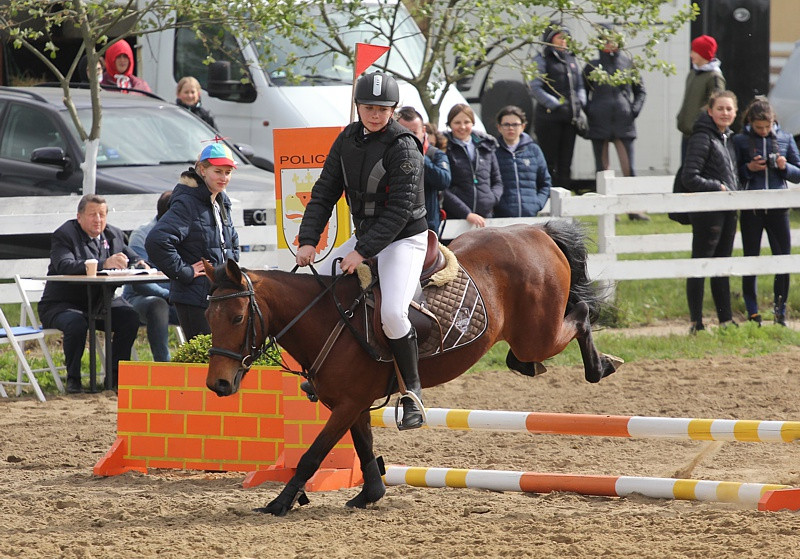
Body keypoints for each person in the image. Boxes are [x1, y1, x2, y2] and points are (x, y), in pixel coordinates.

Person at [294, 72, 427, 431]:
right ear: (358, 107)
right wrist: (308, 239)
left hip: (404, 239)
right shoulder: (346, 140)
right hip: (366, 235)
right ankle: (325, 370)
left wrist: (361, 252)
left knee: (394, 314)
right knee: (321, 292)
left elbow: (400, 211)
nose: (375, 114)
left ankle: (411, 391)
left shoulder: (404, 145)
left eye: (383, 109)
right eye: (369, 107)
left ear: (393, 110)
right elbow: (324, 193)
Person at [38, 195, 145, 393]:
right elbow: (64, 265)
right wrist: (104, 264)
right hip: (61, 304)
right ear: (79, 217)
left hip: (100, 302)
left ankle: (114, 380)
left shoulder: (114, 234)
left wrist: (140, 264)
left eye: (102, 214)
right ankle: (74, 381)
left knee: (129, 317)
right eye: (92, 214)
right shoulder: (65, 234)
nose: (98, 219)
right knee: (77, 323)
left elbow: (132, 257)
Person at [146, 142, 240, 341]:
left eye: (228, 172)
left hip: (219, 293)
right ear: (202, 170)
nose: (224, 178)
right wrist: (185, 271)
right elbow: (157, 241)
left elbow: (231, 239)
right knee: (203, 362)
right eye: (218, 171)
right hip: (195, 298)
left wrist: (231, 267)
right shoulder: (187, 202)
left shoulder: (222, 200)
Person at [733, 96, 800, 326]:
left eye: (767, 127)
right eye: (758, 127)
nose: (763, 131)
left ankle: (779, 311)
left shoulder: (786, 138)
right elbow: (734, 175)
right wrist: (749, 168)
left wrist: (784, 167)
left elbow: (798, 173)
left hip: (778, 209)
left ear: (773, 122)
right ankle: (753, 313)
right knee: (750, 259)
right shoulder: (740, 140)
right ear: (750, 122)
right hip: (751, 209)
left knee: (782, 259)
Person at [681, 90, 739, 334]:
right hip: (708, 212)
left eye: (729, 109)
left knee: (722, 265)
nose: (725, 113)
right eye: (720, 108)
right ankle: (696, 322)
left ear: (735, 112)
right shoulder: (703, 137)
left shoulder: (726, 138)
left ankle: (725, 320)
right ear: (710, 111)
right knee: (701, 264)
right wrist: (719, 187)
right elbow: (689, 177)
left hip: (727, 210)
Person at [582, 32, 648, 220]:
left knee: (629, 169)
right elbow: (582, 92)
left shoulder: (628, 64)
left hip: (624, 122)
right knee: (603, 170)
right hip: (599, 123)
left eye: (613, 41)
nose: (610, 44)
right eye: (606, 41)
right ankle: (608, 210)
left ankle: (634, 210)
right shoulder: (591, 66)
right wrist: (591, 111)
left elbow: (641, 91)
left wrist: (632, 110)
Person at [122, 191, 180, 362]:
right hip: (140, 299)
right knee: (158, 304)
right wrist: (169, 296)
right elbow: (140, 282)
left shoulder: (188, 233)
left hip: (178, 300)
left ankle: (203, 364)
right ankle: (164, 367)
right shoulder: (142, 235)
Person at [529, 23, 586, 188]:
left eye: (566, 38)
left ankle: (564, 201)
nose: (564, 42)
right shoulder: (541, 60)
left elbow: (580, 86)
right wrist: (556, 104)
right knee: (549, 162)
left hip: (570, 120)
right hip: (549, 120)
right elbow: (535, 87)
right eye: (560, 38)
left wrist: (580, 102)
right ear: (550, 39)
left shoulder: (571, 59)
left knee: (565, 164)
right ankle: (547, 201)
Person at [442, 103, 503, 227]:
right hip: (455, 218)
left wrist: (491, 199)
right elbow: (443, 188)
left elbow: (497, 181)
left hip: (485, 217)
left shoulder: (486, 146)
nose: (462, 127)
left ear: (473, 123)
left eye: (467, 122)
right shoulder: (444, 148)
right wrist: (466, 213)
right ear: (450, 124)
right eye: (457, 122)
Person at [395, 106, 451, 233]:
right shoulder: (388, 155)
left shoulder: (434, 155)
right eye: (404, 132)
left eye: (413, 133)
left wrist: (419, 157)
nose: (408, 138)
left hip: (427, 226)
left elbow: (444, 181)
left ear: (423, 131)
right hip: (396, 225)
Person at [493, 105, 551, 217]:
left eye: (515, 124)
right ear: (499, 127)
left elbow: (545, 182)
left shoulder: (534, 150)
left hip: (530, 215)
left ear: (523, 126)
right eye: (506, 124)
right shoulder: (492, 151)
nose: (511, 128)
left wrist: (537, 203)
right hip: (501, 217)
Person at [676, 35, 725, 163]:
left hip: (701, 134)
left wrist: (700, 123)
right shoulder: (693, 74)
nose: (691, 54)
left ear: (704, 53)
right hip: (687, 133)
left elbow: (717, 104)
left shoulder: (714, 77)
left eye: (694, 51)